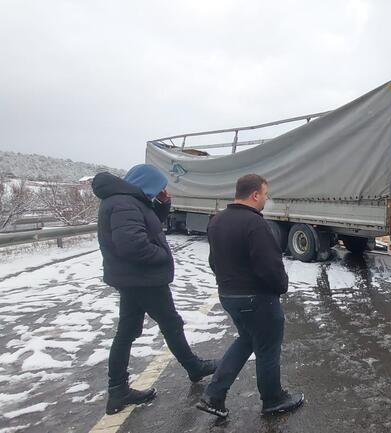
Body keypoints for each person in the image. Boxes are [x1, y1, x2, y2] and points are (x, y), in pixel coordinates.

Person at [92, 165, 217, 416]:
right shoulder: (124, 204)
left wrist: (163, 203)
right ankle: (193, 367)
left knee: (127, 331)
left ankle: (118, 390)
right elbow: (132, 244)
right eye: (161, 186)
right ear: (146, 182)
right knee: (170, 323)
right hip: (142, 279)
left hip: (133, 279)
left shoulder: (127, 201)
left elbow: (148, 224)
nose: (163, 189)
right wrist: (162, 256)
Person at [196, 174, 304, 418]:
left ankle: (213, 395)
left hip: (229, 296)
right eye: (265, 194)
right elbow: (270, 266)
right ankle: (273, 399)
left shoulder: (217, 221)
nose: (266, 199)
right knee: (267, 348)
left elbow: (215, 261)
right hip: (257, 299)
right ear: (255, 195)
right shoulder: (255, 224)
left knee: (246, 340)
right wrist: (281, 286)